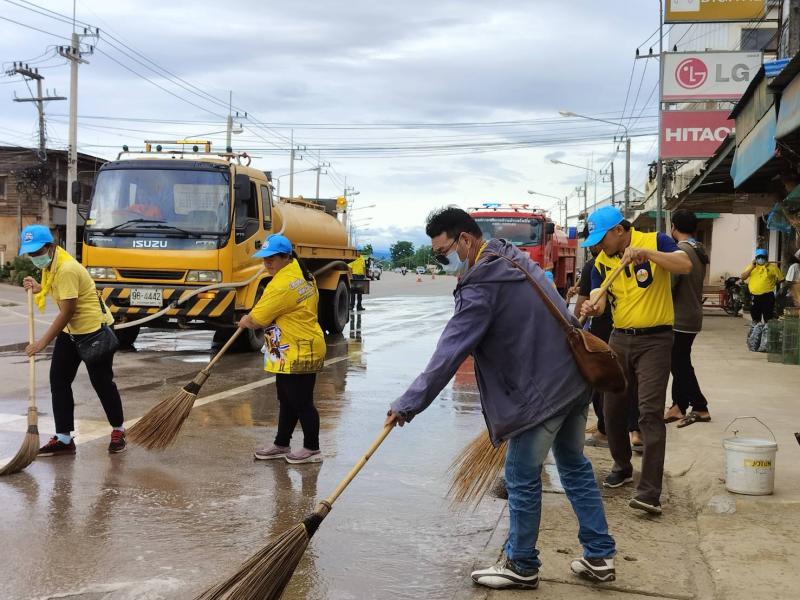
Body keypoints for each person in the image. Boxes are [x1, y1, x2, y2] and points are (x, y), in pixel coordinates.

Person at [386, 207, 616, 590]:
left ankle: (521, 564)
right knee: (573, 466)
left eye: (445, 253)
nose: (444, 262)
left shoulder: (482, 284)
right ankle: (599, 554)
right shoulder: (510, 256)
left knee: (521, 476)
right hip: (574, 381)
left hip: (543, 393)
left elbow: (449, 354)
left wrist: (408, 404)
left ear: (465, 239)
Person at [581, 206, 691, 515]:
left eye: (602, 239)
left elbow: (684, 265)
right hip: (620, 338)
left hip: (656, 340)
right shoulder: (601, 262)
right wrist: (593, 306)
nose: (599, 246)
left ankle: (649, 492)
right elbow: (600, 300)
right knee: (612, 408)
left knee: (649, 413)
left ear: (619, 230)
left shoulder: (655, 240)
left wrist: (648, 254)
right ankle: (622, 465)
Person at [19, 225, 126, 456]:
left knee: (102, 382)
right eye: (31, 254)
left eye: (38, 252)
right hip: (71, 332)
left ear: (51, 246)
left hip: (93, 332)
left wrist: (42, 343)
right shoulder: (52, 266)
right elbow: (57, 291)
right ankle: (64, 438)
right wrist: (38, 288)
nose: (35, 257)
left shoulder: (67, 268)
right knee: (59, 380)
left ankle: (118, 430)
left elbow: (67, 311)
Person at [239, 234, 327, 464]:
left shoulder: (281, 285)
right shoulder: (302, 274)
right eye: (264, 260)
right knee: (287, 399)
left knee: (301, 401)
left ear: (286, 257)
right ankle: (281, 443)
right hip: (292, 347)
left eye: (271, 260)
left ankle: (312, 449)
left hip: (300, 349)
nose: (266, 264)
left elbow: (258, 318)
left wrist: (245, 321)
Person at [664, 210, 711, 428]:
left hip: (680, 317)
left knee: (679, 364)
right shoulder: (698, 249)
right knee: (680, 360)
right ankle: (678, 406)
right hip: (692, 314)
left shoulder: (681, 251)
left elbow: (670, 285)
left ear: (673, 227)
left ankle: (700, 406)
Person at [741, 249, 783, 323]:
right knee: (755, 317)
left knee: (768, 317)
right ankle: (757, 331)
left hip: (767, 296)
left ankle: (766, 332)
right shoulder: (751, 267)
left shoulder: (773, 268)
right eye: (759, 257)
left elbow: (782, 279)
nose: (761, 259)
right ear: (756, 258)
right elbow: (743, 277)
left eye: (762, 257)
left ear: (766, 258)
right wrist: (752, 267)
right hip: (754, 296)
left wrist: (775, 283)